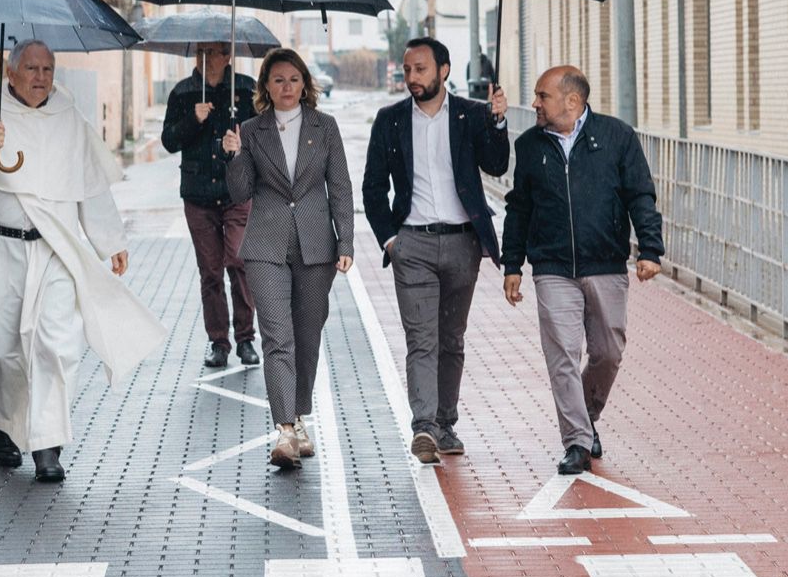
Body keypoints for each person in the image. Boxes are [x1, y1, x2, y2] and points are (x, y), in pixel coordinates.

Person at [0, 40, 166, 483]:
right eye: (33, 68)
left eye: (48, 68)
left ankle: (47, 443)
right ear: (12, 71)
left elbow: (90, 182)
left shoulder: (68, 116)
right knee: (4, 351)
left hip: (53, 248)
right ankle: (6, 424)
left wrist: (109, 238)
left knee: (55, 347)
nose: (41, 76)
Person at [501, 66, 665, 476]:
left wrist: (651, 248)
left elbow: (640, 195)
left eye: (543, 96)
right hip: (552, 266)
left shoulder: (616, 137)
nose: (535, 103)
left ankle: (585, 415)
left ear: (572, 101)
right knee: (562, 353)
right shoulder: (530, 145)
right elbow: (519, 207)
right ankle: (576, 440)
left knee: (608, 352)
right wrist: (512, 263)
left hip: (606, 261)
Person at [363, 38, 511, 464]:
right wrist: (392, 240)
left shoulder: (472, 114)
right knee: (421, 338)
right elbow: (373, 187)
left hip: (464, 242)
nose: (412, 78)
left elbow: (497, 165)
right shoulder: (390, 120)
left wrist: (498, 122)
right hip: (414, 244)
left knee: (452, 339)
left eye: (421, 69)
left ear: (443, 70)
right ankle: (424, 427)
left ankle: (446, 424)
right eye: (408, 70)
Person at [223, 48, 354, 470]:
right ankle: (284, 429)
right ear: (265, 85)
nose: (286, 87)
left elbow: (341, 187)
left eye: (293, 79)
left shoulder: (325, 127)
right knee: (277, 336)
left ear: (305, 83)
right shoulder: (250, 129)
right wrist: (235, 154)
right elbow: (240, 192)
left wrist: (346, 242)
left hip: (317, 245)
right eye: (278, 80)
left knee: (307, 335)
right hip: (265, 244)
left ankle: (299, 417)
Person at [161, 41, 259, 371]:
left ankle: (246, 338)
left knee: (240, 263)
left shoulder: (246, 89)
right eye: (200, 52)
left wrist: (242, 144)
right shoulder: (183, 92)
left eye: (213, 51)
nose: (206, 58)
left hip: (236, 194)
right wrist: (193, 119)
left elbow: (268, 138)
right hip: (198, 196)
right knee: (211, 272)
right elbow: (169, 141)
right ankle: (219, 342)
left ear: (227, 54)